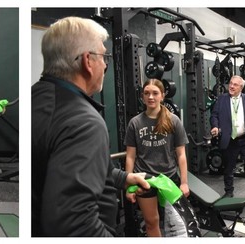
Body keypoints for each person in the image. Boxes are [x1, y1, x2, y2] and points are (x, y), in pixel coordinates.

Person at [31, 16, 149, 237]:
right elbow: (73, 226)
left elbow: (57, 171)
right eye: (104, 57)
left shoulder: (35, 97)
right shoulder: (84, 122)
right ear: (88, 61)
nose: (105, 64)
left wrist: (122, 178)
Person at [124, 79, 190, 237]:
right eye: (146, 93)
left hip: (169, 178)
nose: (150, 97)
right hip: (145, 179)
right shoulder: (135, 123)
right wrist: (128, 184)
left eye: (155, 93)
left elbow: (181, 155)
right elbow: (130, 157)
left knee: (175, 223)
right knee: (151, 222)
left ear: (162, 96)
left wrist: (184, 182)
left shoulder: (173, 121)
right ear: (142, 96)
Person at [210, 75, 245, 203]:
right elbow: (214, 115)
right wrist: (215, 126)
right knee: (228, 168)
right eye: (230, 83)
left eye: (235, 85)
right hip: (230, 140)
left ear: (241, 87)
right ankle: (229, 191)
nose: (231, 86)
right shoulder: (221, 99)